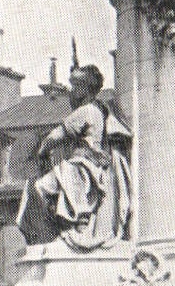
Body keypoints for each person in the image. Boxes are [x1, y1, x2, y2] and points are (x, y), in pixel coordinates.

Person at [17, 51, 132, 251]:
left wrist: (42, 152)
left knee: (37, 188)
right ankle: (71, 225)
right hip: (91, 167)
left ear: (84, 89)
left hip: (81, 167)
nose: (70, 91)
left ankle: (59, 233)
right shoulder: (100, 110)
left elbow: (54, 137)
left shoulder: (85, 111)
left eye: (74, 87)